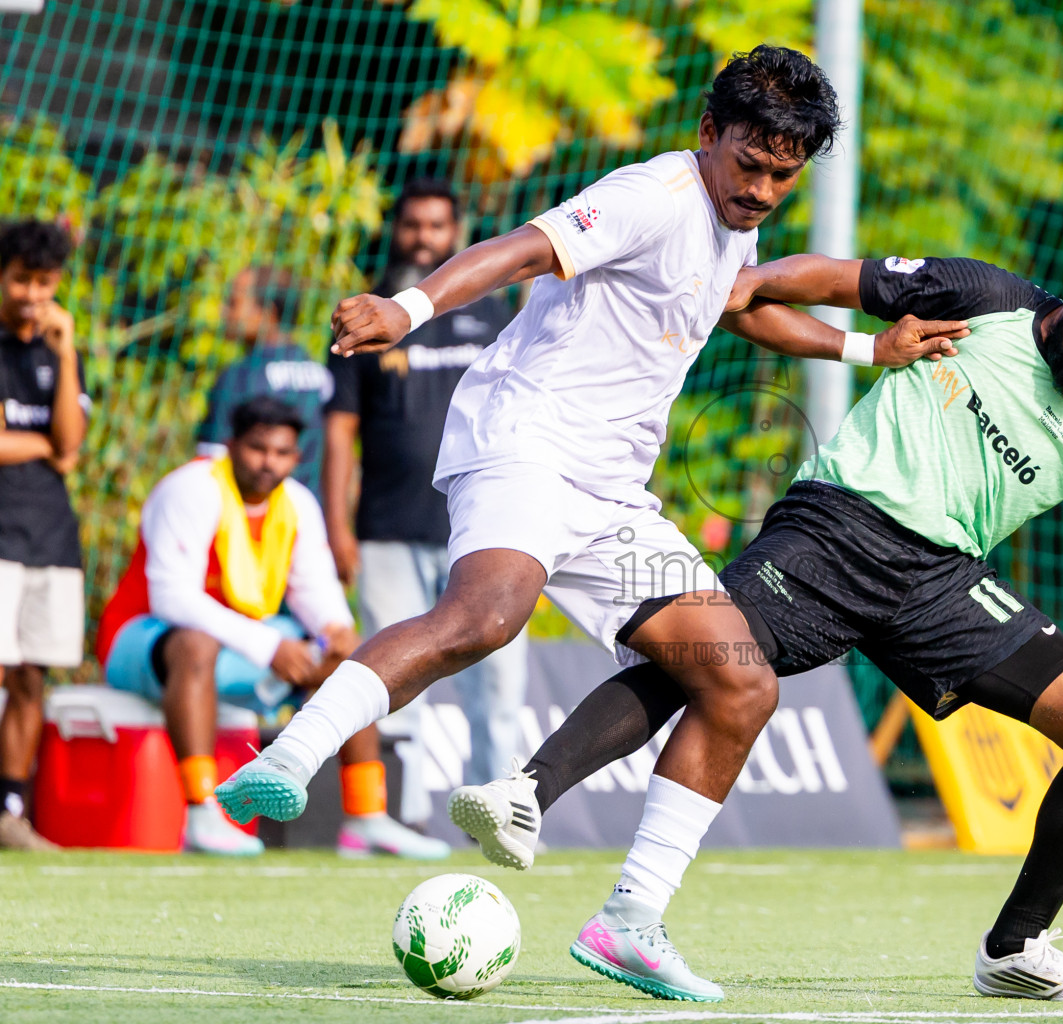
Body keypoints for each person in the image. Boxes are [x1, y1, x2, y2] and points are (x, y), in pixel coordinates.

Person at [218, 44, 963, 997]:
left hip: (613, 494)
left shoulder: (732, 222)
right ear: (707, 134)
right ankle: (286, 760)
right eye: (751, 164)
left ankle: (629, 923)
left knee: (740, 684)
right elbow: (523, 247)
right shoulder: (653, 194)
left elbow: (738, 307)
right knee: (486, 619)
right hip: (525, 441)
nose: (765, 189)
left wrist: (866, 347)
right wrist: (408, 307)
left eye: (785, 174)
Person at [504, 227, 1063, 1002]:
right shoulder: (987, 298)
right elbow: (833, 277)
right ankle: (529, 793)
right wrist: (752, 281)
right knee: (712, 659)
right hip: (836, 527)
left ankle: (1015, 948)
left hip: (941, 584)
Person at [98, 397, 448, 859]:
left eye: (282, 453)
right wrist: (270, 647)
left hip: (244, 646)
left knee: (352, 657)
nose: (269, 463)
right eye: (258, 449)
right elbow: (172, 598)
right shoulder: (192, 489)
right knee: (194, 643)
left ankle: (367, 818)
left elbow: (314, 592)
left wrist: (336, 630)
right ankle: (202, 813)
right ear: (231, 446)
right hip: (142, 642)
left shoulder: (297, 503)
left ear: (297, 457)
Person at [323, 178, 525, 800]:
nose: (423, 237)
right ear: (396, 229)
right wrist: (337, 528)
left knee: (496, 687)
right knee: (395, 683)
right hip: (386, 528)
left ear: (456, 233)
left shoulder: (494, 311)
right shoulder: (369, 312)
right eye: (413, 225)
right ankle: (397, 819)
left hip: (483, 531)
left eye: (436, 226)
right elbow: (339, 432)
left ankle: (496, 810)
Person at [0, 220, 87, 852]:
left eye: (45, 282)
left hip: (51, 538)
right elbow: (51, 448)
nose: (32, 293)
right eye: (21, 279)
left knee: (31, 676)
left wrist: (67, 353)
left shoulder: (57, 347)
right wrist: (46, 449)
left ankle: (10, 812)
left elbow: (71, 446)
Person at [195, 266, 332, 492]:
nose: (223, 311)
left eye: (233, 303)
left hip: (253, 518)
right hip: (308, 517)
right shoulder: (323, 376)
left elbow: (213, 463)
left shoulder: (240, 377)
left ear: (267, 313)